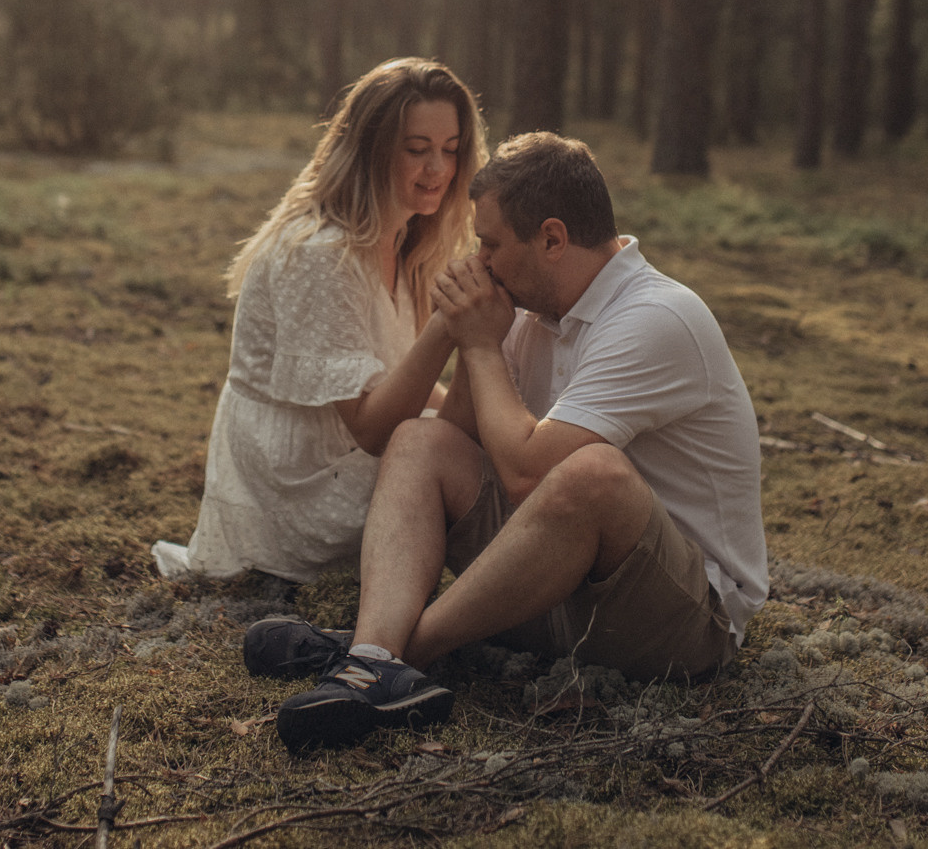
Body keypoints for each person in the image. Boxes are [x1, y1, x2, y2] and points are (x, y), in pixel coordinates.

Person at [242, 132, 770, 751]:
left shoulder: (657, 318)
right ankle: (374, 656)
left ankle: (388, 654)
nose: (480, 261)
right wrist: (465, 332)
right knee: (419, 440)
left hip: (681, 624)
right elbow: (460, 443)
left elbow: (525, 475)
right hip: (549, 591)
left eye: (490, 244)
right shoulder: (530, 306)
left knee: (590, 473)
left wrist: (485, 343)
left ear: (551, 238)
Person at [152, 59, 487, 584]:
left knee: (492, 453)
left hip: (343, 451)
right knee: (461, 471)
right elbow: (374, 430)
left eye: (450, 149)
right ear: (371, 151)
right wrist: (449, 327)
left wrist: (484, 420)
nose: (438, 170)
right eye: (416, 149)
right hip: (298, 486)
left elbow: (404, 379)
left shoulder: (408, 239)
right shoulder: (321, 253)